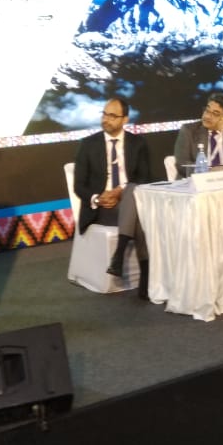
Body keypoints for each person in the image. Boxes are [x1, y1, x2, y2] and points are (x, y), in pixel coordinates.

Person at [75, 97, 153, 297]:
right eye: (104, 114)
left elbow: (145, 178)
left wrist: (121, 190)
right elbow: (79, 185)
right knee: (138, 215)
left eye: (112, 116)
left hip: (128, 202)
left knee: (132, 191)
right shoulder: (88, 144)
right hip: (102, 209)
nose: (106, 119)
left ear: (124, 119)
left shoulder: (138, 143)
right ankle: (145, 276)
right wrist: (97, 198)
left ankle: (119, 254)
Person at [172, 92, 223, 177]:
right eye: (207, 110)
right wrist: (209, 172)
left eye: (215, 114)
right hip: (198, 181)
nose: (207, 116)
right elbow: (182, 164)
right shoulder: (189, 131)